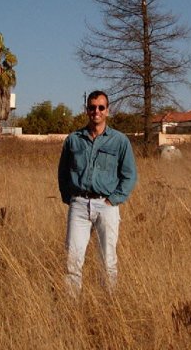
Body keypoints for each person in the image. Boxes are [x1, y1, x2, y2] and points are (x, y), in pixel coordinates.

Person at [58, 90, 137, 295]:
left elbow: (129, 175)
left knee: (108, 260)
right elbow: (63, 173)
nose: (96, 111)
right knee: (72, 260)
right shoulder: (73, 140)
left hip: (106, 206)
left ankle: (109, 305)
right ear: (87, 110)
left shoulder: (119, 141)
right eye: (92, 107)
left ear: (107, 111)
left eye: (101, 107)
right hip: (79, 206)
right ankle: (71, 306)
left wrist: (113, 200)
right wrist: (71, 199)